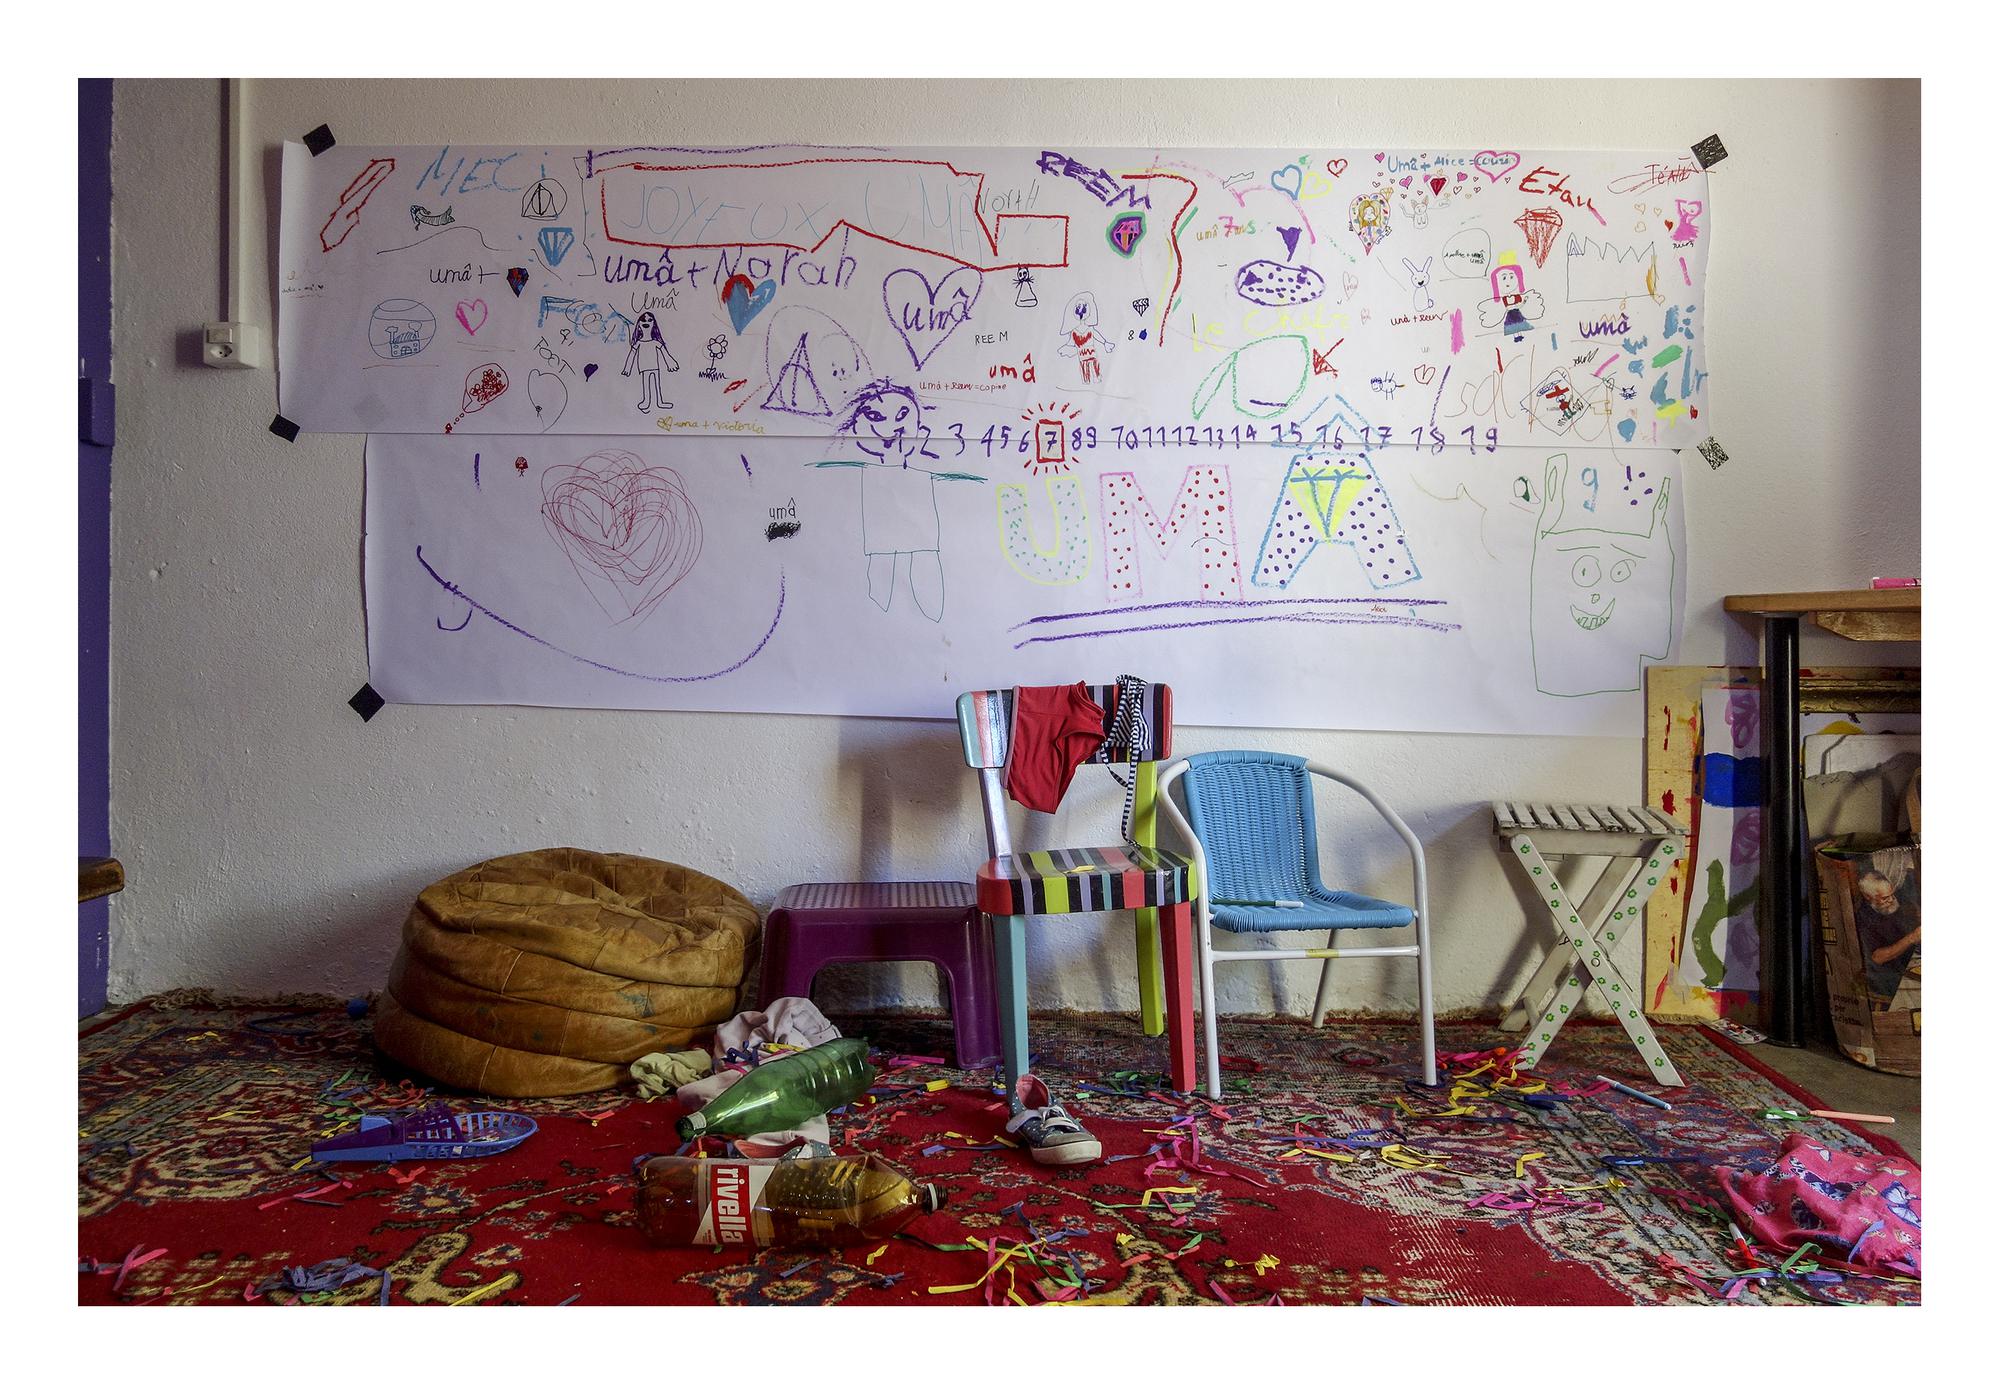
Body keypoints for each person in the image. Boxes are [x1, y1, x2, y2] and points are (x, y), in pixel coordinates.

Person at [1851, 868, 1919, 1004]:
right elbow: (1877, 957)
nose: (1892, 900)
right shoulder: (1864, 919)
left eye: (1892, 894)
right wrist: (1912, 938)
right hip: (1886, 977)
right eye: (1884, 898)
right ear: (1868, 897)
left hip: (1909, 964)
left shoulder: (1894, 902)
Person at [621, 310, 679, 414]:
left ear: (653, 324)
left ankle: (660, 402)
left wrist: (670, 362)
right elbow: (632, 355)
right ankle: (646, 401)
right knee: (646, 385)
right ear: (639, 325)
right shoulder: (638, 343)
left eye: (649, 320)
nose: (646, 322)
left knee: (657, 384)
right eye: (643, 320)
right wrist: (627, 369)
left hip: (655, 367)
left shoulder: (655, 342)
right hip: (644, 367)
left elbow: (665, 353)